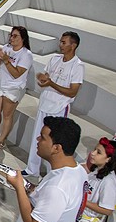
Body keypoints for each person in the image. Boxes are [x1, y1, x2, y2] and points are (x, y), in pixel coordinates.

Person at [23, 31, 83, 178]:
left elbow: (72, 92)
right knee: (37, 137)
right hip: (45, 104)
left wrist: (51, 83)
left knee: (54, 142)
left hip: (58, 108)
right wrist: (43, 79)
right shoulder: (54, 59)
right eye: (61, 42)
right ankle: (32, 169)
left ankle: (53, 173)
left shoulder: (78, 66)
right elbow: (44, 80)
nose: (60, 45)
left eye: (64, 42)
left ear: (73, 45)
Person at [0, 27, 33, 150]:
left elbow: (16, 73)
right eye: (11, 35)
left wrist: (6, 60)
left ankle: (1, 140)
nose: (11, 38)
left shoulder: (26, 55)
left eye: (15, 36)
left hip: (14, 88)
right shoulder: (6, 48)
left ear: (23, 38)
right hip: (1, 85)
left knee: (7, 115)